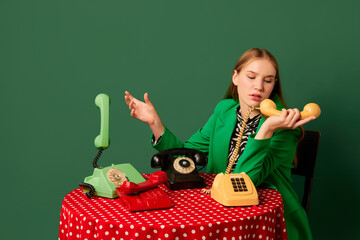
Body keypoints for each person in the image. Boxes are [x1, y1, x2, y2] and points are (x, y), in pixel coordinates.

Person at [124, 48, 314, 239]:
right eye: (251, 77)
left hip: (267, 223)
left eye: (268, 80)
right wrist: (155, 123)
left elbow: (245, 181)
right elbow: (185, 157)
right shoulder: (224, 111)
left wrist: (266, 130)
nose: (259, 87)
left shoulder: (285, 126)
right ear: (235, 77)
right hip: (220, 211)